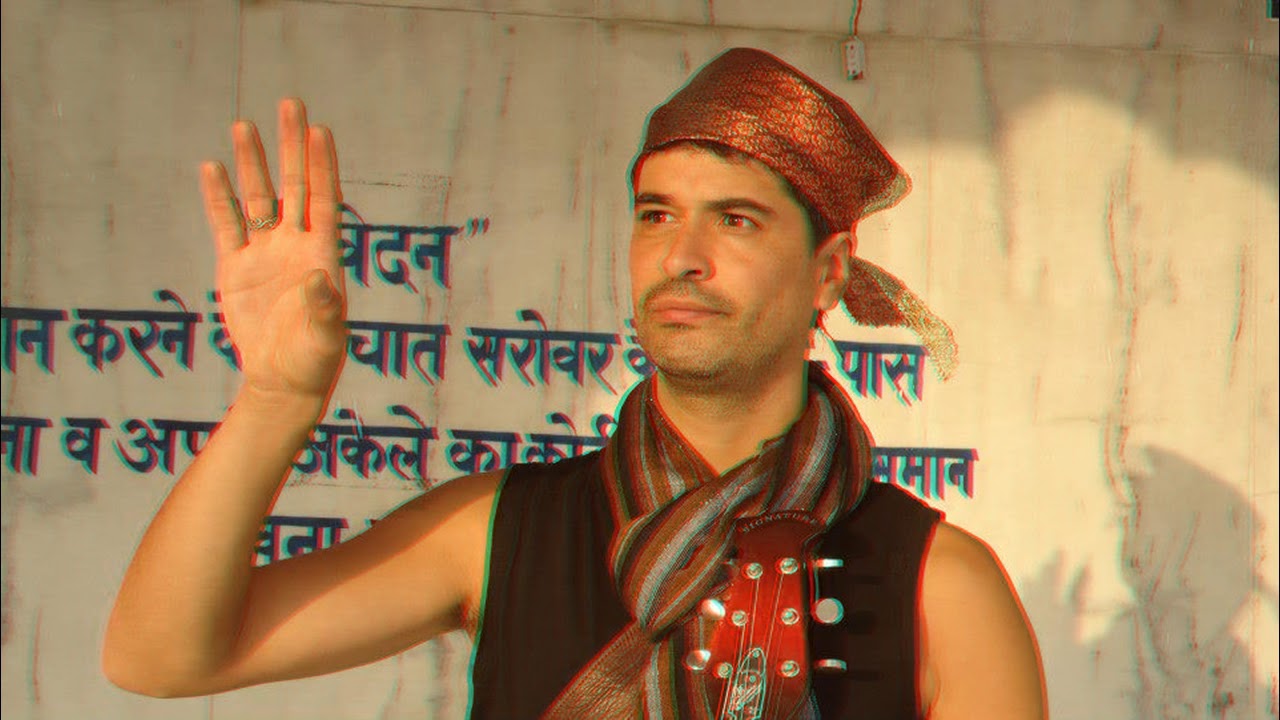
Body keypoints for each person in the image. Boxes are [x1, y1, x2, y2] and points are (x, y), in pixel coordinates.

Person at [102, 48, 1046, 719]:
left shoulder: (939, 584)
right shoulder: (494, 530)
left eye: (737, 221)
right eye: (656, 215)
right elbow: (160, 658)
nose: (681, 257)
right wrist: (276, 401)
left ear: (829, 272)